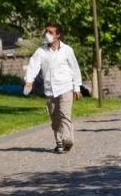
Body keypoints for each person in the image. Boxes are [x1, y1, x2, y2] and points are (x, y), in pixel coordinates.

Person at [23, 23, 83, 154]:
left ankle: (67, 140)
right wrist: (29, 81)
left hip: (65, 87)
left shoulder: (67, 50)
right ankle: (59, 142)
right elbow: (33, 65)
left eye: (50, 32)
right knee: (55, 118)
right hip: (50, 89)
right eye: (46, 32)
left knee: (65, 115)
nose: (47, 34)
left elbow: (75, 68)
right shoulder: (41, 51)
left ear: (58, 35)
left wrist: (77, 87)